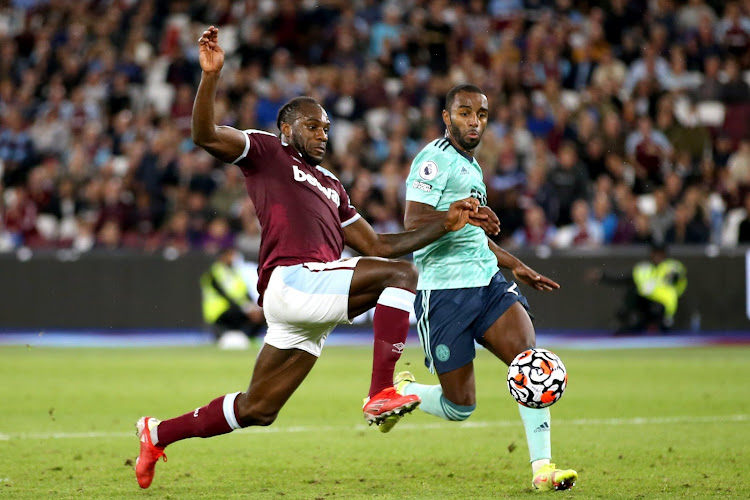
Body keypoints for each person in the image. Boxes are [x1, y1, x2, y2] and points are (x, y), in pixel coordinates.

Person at [134, 27, 492, 489]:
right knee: (402, 276)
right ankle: (382, 389)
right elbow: (204, 134)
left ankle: (157, 433)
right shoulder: (266, 150)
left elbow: (379, 246)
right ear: (286, 128)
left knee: (258, 409)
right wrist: (211, 77)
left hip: (308, 306)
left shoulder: (333, 186)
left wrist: (445, 222)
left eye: (326, 126)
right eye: (312, 125)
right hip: (294, 279)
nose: (323, 133)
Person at [398, 84, 578, 491]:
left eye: (480, 114)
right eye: (464, 113)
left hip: (488, 284)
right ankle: (406, 393)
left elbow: (473, 238)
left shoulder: (474, 168)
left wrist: (516, 265)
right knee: (460, 406)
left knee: (531, 364)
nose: (473, 121)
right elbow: (413, 225)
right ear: (447, 118)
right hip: (444, 293)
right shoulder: (433, 161)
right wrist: (457, 215)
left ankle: (543, 468)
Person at [590, 242, 687, 334]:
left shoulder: (672, 266)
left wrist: (673, 277)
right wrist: (603, 276)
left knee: (659, 316)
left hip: (663, 309)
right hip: (645, 307)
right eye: (655, 253)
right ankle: (630, 322)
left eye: (660, 253)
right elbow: (622, 279)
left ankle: (655, 326)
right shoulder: (643, 269)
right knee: (632, 295)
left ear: (665, 254)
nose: (657, 256)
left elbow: (679, 278)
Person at [200, 245, 265, 342]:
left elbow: (244, 293)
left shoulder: (235, 272)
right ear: (222, 257)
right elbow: (225, 295)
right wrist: (246, 309)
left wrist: (253, 307)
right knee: (243, 313)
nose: (233, 258)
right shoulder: (213, 273)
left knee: (262, 313)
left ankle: (250, 339)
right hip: (219, 312)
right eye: (230, 255)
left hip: (235, 309)